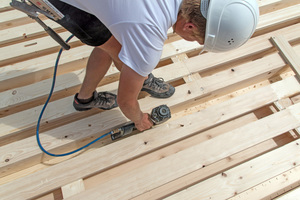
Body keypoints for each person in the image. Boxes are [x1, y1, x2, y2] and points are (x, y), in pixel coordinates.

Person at [47, 0, 259, 131]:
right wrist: (139, 119)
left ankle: (138, 76)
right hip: (63, 2)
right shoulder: (148, 38)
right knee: (113, 47)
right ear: (190, 25)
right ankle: (86, 99)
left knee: (113, 45)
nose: (193, 42)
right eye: (196, 39)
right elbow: (125, 102)